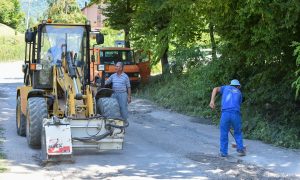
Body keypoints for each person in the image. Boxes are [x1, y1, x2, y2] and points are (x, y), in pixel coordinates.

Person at [209, 79, 246, 157]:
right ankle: (240, 149)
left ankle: (223, 152)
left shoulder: (226, 88)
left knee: (224, 132)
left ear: (231, 85)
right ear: (238, 86)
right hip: (235, 114)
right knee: (237, 132)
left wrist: (212, 101)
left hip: (225, 113)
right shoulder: (239, 93)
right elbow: (238, 104)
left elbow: (215, 89)